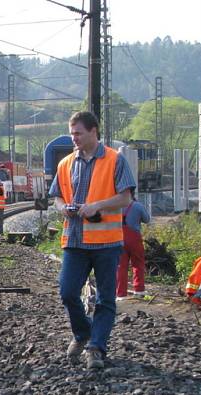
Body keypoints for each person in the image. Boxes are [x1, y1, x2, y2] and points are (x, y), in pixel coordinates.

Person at [49, 110, 136, 369]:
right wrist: (62, 207)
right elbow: (57, 196)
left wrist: (97, 206)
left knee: (105, 299)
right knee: (67, 292)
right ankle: (83, 332)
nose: (73, 138)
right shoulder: (65, 163)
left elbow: (126, 198)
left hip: (107, 243)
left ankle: (96, 347)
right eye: (71, 133)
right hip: (75, 241)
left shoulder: (114, 160)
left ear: (93, 131)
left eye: (78, 133)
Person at [116, 192, 151, 300]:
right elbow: (147, 219)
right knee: (138, 264)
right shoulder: (138, 206)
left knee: (121, 267)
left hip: (119, 238)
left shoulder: (116, 206)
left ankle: (121, 294)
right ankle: (139, 290)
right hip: (135, 239)